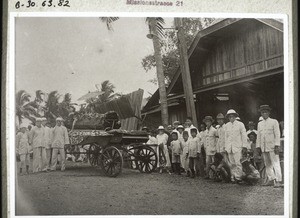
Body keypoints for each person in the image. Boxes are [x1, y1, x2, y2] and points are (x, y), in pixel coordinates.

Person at [256, 105, 283, 188]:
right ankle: (271, 179)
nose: (264, 113)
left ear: (269, 113)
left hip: (272, 146)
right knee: (267, 164)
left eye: (266, 112)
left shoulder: (274, 122)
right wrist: (258, 146)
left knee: (275, 163)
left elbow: (277, 134)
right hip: (264, 147)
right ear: (261, 113)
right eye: (263, 112)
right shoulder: (260, 124)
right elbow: (259, 136)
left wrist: (277, 145)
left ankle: (278, 180)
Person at [224, 109, 248, 183]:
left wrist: (244, 146)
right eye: (230, 117)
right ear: (228, 117)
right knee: (232, 163)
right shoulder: (227, 125)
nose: (231, 118)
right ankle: (233, 177)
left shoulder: (240, 124)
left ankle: (239, 178)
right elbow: (226, 137)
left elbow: (244, 135)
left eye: (232, 116)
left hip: (237, 146)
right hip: (229, 147)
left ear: (235, 116)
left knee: (238, 163)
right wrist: (226, 147)